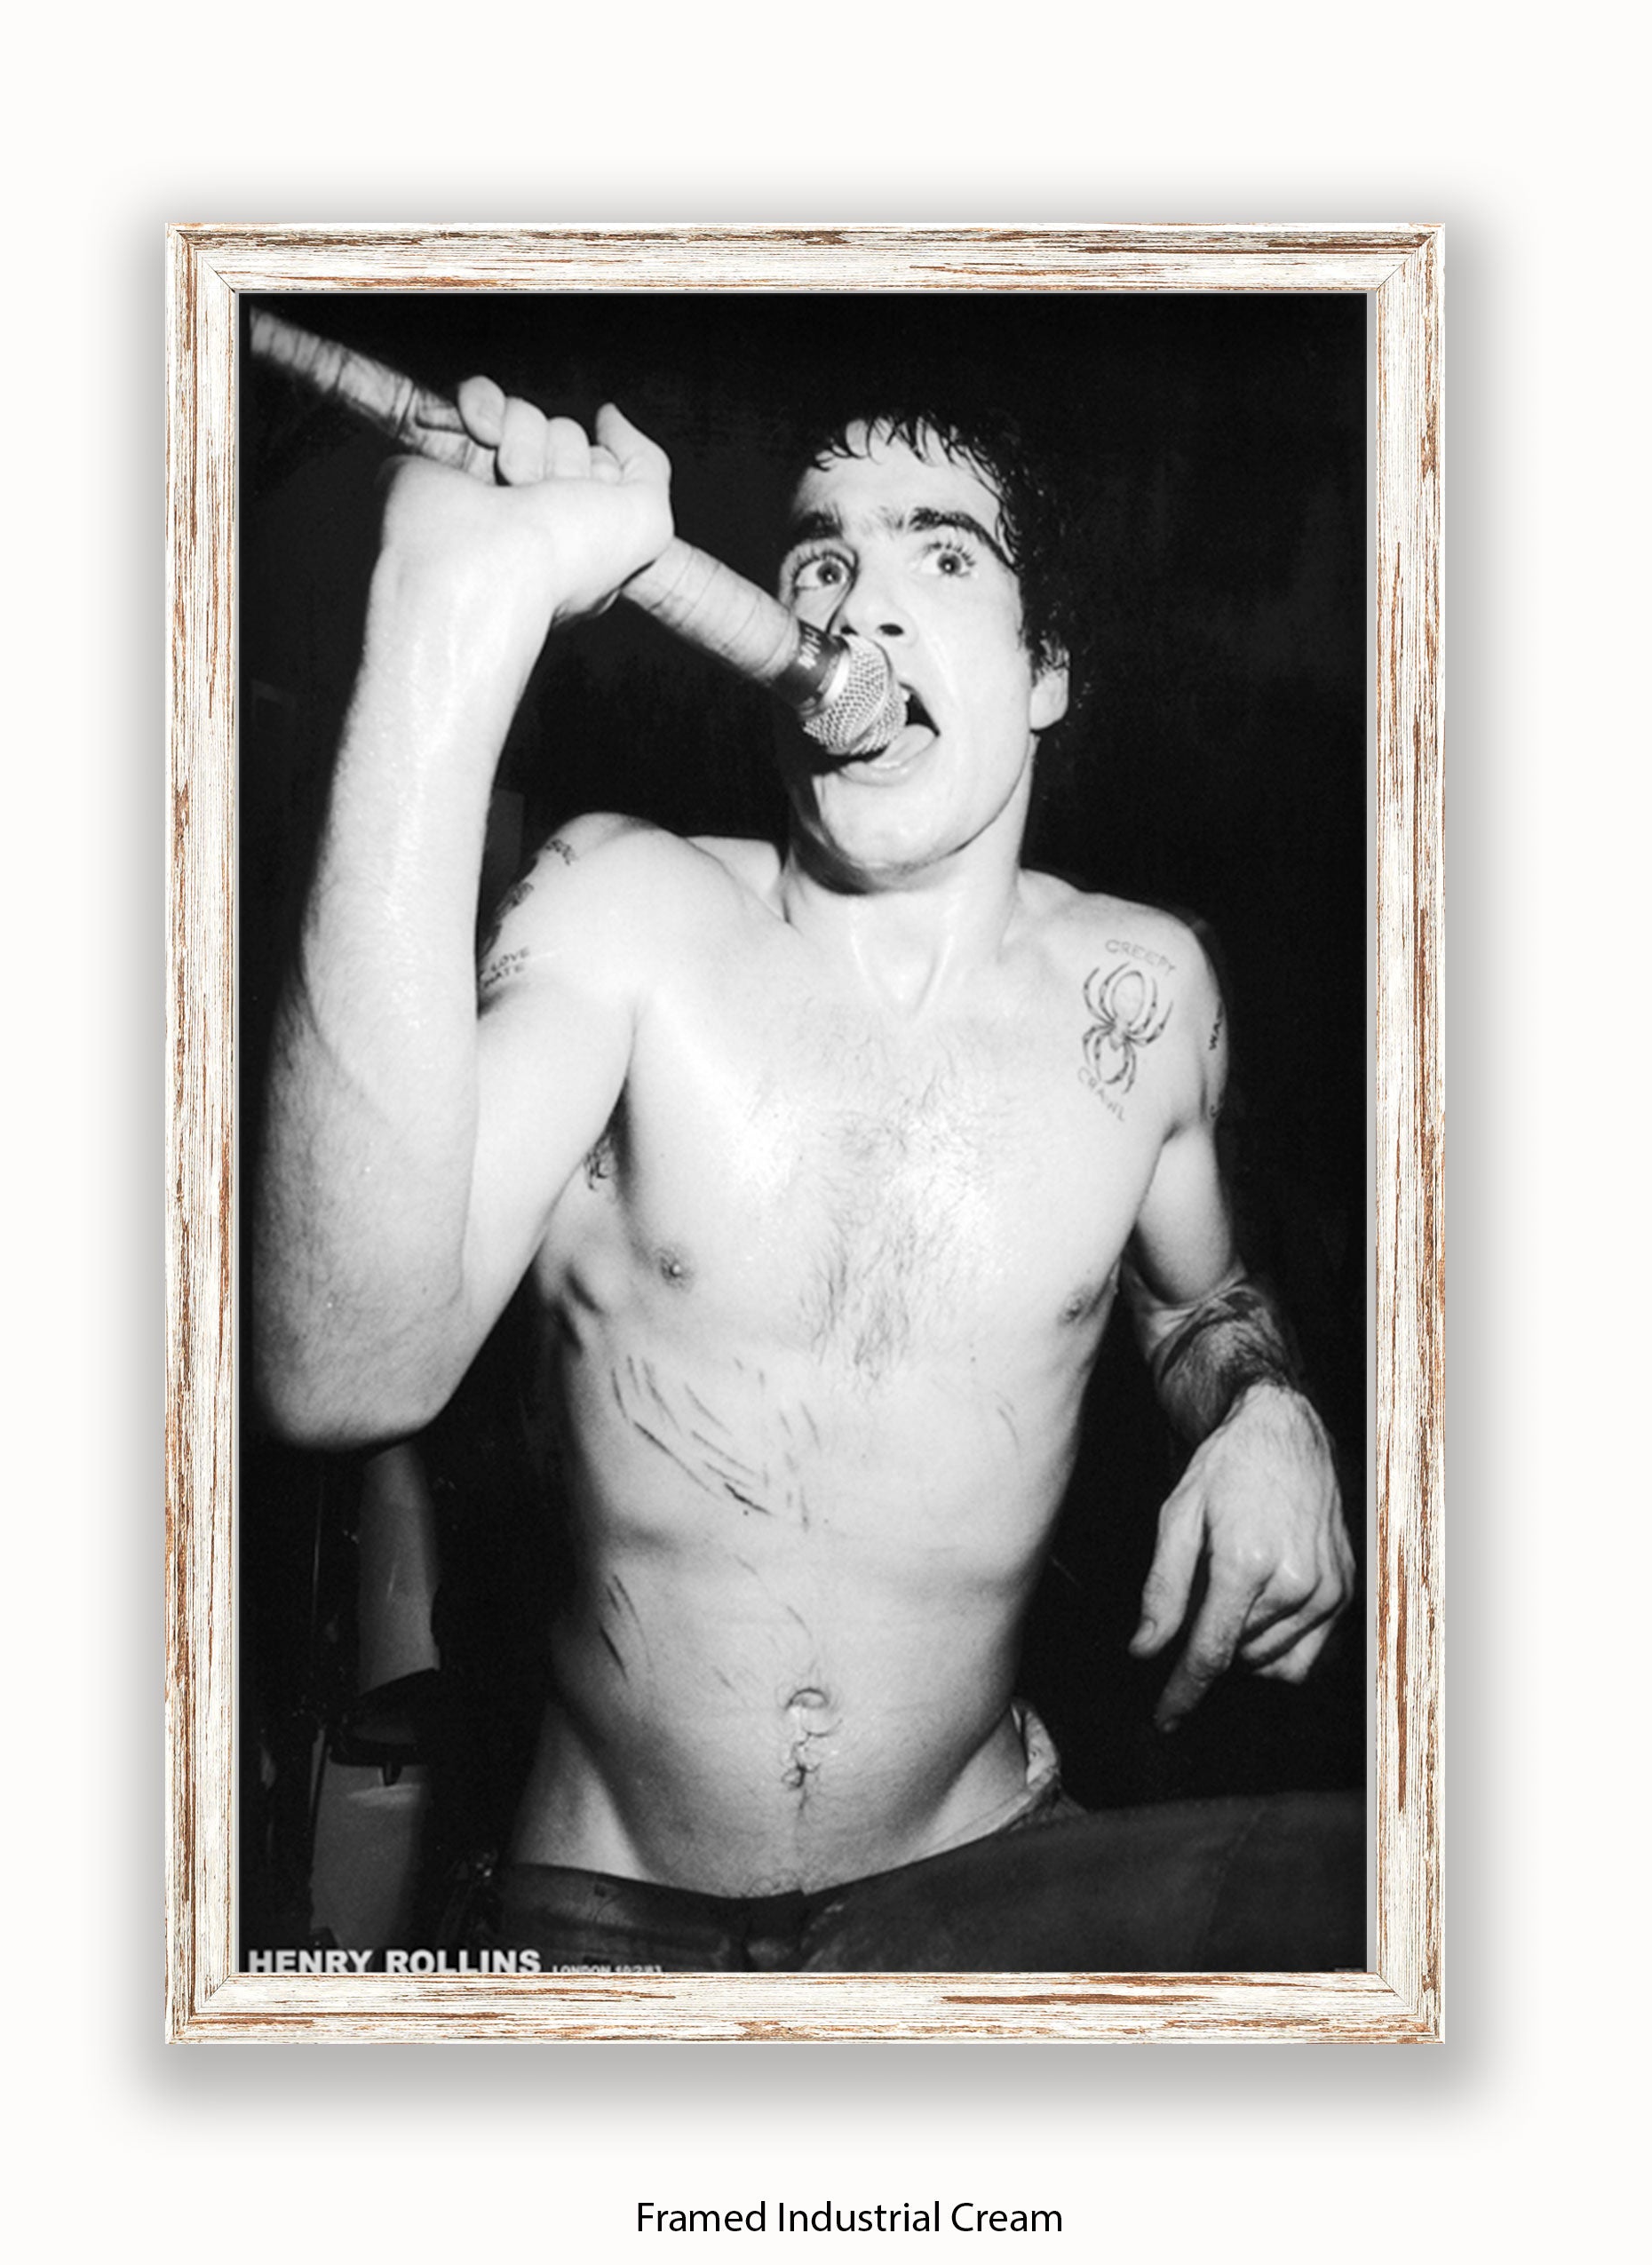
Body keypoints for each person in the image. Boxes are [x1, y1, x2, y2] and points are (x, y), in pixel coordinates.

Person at [255, 375, 1359, 1973]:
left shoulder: (1143, 996)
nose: (857, 607)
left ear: (1045, 673)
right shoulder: (624, 914)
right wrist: (447, 621)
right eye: (822, 559)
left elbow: (1203, 1304)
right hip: (605, 1917)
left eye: (943, 557)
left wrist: (1262, 1409)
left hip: (986, 1872)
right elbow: (336, 1367)